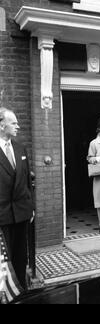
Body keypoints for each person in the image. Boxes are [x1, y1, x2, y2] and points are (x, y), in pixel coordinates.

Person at [0, 107, 33, 289]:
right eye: (13, 123)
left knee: (21, 256)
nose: (17, 126)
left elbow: (27, 180)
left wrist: (31, 207)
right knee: (5, 258)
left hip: (21, 213)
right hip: (2, 215)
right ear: (1, 124)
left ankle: (22, 290)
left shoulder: (20, 148)